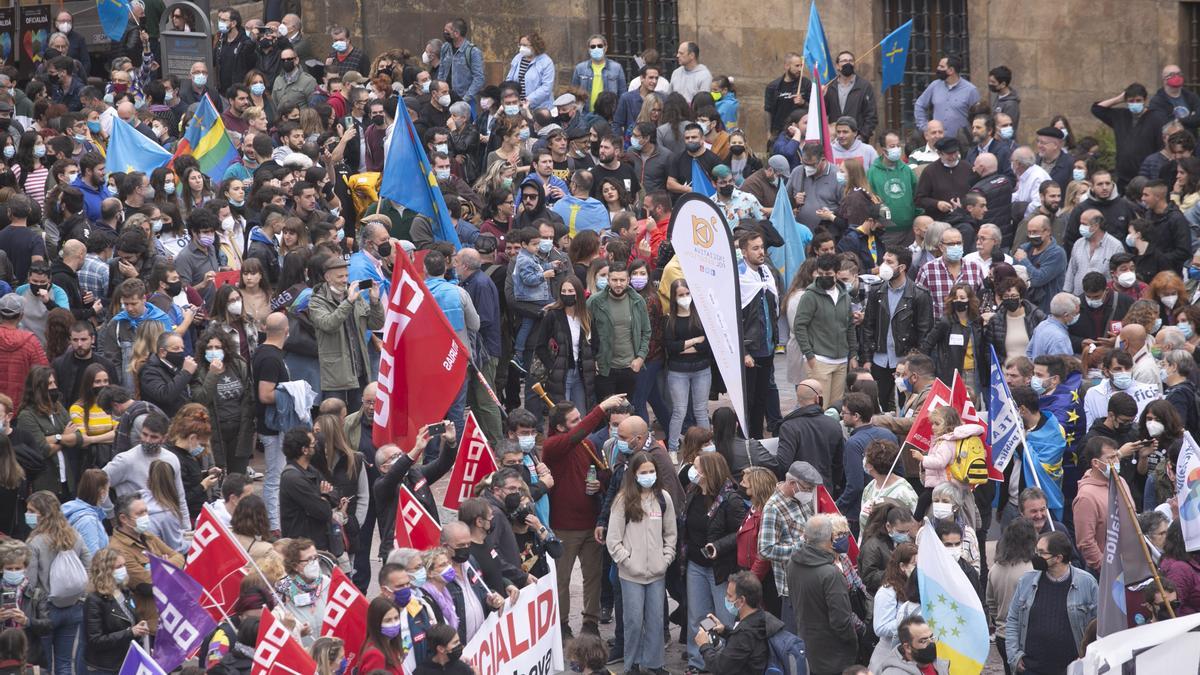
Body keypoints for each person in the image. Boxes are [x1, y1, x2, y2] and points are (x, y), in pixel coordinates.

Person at [606, 450, 675, 675]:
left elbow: (670, 533)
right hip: (630, 574)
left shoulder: (664, 498)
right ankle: (632, 664)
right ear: (634, 474)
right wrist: (628, 562)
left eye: (652, 471)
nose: (648, 475)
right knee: (633, 621)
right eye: (643, 472)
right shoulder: (623, 500)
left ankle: (655, 663)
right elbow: (613, 539)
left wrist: (666, 558)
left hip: (657, 572)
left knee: (656, 620)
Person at [1005, 531, 1099, 674]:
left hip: (1071, 669)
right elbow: (1012, 619)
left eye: (1041, 552)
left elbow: (1097, 625)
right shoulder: (1026, 581)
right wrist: (1014, 656)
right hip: (1032, 668)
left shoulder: (1086, 583)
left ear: (1058, 558)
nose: (1036, 556)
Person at [25, 490, 90, 674]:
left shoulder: (35, 542)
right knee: (64, 663)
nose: (28, 515)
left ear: (44, 514)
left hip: (45, 611)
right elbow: (89, 566)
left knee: (44, 664)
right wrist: (80, 596)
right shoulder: (74, 536)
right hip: (73, 607)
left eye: (31, 511)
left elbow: (29, 582)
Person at [308, 256, 384, 411]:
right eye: (340, 276)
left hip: (360, 372)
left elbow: (376, 324)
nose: (345, 280)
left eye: (346, 276)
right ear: (327, 277)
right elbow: (329, 324)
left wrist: (375, 302)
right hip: (336, 376)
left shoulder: (354, 296)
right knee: (335, 419)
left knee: (357, 419)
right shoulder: (317, 301)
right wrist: (348, 302)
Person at [787, 514, 858, 675]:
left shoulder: (792, 563)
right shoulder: (831, 573)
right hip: (834, 655)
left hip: (807, 645)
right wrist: (854, 640)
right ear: (832, 537)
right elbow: (841, 621)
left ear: (805, 537)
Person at [757, 461, 821, 633]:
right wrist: (801, 545)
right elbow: (765, 549)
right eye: (807, 488)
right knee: (796, 640)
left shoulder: (802, 499)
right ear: (792, 484)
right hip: (791, 588)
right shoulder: (773, 508)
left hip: (812, 580)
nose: (810, 492)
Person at [107, 495, 183, 631]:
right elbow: (147, 584)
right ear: (123, 518)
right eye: (140, 513)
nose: (145, 516)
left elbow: (179, 557)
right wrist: (167, 565)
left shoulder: (148, 536)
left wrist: (157, 567)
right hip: (149, 622)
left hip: (171, 613)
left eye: (146, 511)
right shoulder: (118, 549)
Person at [792, 254, 856, 405]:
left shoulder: (844, 295)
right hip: (819, 359)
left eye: (828, 274)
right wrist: (809, 355)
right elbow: (799, 326)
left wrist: (853, 354)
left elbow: (849, 326)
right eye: (820, 274)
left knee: (836, 408)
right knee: (819, 406)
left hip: (841, 360)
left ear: (837, 273)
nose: (824, 277)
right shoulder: (810, 296)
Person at [191, 328, 255, 474]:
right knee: (215, 476)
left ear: (225, 349)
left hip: (239, 430)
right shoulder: (199, 370)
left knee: (238, 478)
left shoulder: (238, 365)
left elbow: (248, 396)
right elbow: (201, 399)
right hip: (213, 431)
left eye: (218, 347)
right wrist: (212, 374)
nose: (213, 351)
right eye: (209, 348)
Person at [737, 228, 779, 438]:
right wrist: (744, 350)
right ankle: (746, 437)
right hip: (750, 350)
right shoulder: (740, 276)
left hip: (767, 346)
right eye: (755, 248)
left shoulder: (767, 273)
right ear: (744, 252)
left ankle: (757, 437)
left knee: (762, 397)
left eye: (762, 247)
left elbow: (772, 309)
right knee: (748, 399)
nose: (761, 252)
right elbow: (736, 319)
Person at [83, 547, 149, 675]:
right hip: (105, 667)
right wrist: (130, 632)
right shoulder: (94, 600)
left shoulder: (124, 591)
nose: (123, 569)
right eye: (118, 567)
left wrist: (139, 625)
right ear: (106, 571)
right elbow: (95, 640)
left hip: (126, 660)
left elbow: (131, 617)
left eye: (124, 565)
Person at [988, 518, 1037, 675]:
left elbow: (990, 603)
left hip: (1002, 634)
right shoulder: (1031, 570)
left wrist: (1001, 619)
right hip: (1023, 638)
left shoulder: (995, 569)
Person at [776, 379, 844, 488]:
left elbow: (783, 464)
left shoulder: (789, 427)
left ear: (798, 398)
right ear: (818, 398)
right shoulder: (833, 425)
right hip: (825, 488)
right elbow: (838, 464)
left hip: (797, 489)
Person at [278, 427, 335, 550]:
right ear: (304, 450)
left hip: (316, 542)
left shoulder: (310, 470)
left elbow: (335, 494)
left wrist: (325, 497)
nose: (317, 447)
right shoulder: (293, 479)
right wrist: (324, 496)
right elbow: (323, 511)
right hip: (302, 548)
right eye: (313, 444)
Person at [868, 542, 919, 671]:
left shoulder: (917, 587)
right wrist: (908, 624)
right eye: (915, 565)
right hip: (888, 653)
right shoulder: (887, 592)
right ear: (902, 566)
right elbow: (880, 627)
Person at [276, 538, 330, 647]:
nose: (314, 563)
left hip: (328, 649)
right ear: (295, 566)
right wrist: (296, 632)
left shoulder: (328, 583)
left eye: (315, 557)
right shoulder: (282, 590)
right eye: (309, 559)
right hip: (303, 650)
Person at [913, 54, 979, 139]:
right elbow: (919, 105)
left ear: (951, 70)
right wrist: (924, 127)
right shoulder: (935, 85)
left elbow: (978, 116)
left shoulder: (971, 90)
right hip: (937, 140)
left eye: (941, 67)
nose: (938, 69)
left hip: (961, 142)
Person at [876, 616, 949, 675]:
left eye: (932, 637)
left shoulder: (938, 663)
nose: (930, 643)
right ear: (907, 647)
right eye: (923, 641)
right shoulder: (893, 673)